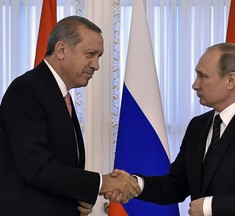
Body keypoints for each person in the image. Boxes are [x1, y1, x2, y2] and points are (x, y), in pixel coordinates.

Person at [109, 42, 235, 216]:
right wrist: (135, 184)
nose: (195, 84)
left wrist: (211, 207)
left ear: (231, 80)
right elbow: (178, 184)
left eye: (203, 76)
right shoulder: (198, 125)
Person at [0, 16, 140, 216]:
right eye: (90, 54)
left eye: (98, 56)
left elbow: (59, 165)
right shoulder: (26, 90)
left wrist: (75, 200)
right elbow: (37, 167)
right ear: (61, 50)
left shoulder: (58, 94)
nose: (96, 65)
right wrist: (102, 182)